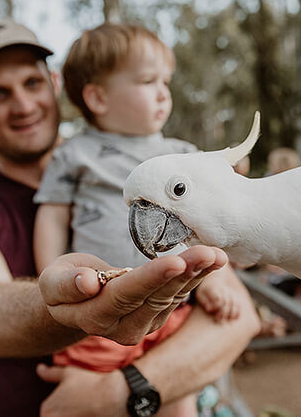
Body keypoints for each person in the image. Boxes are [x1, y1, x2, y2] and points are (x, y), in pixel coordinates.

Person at [0, 19, 259, 417]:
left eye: (32, 83)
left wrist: (118, 392)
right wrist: (70, 299)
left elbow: (237, 317)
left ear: (55, 85)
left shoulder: (161, 174)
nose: (23, 105)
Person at [32, 23, 243, 415]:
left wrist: (216, 278)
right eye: (148, 80)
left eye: (166, 80)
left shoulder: (183, 155)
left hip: (172, 306)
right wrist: (52, 277)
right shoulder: (74, 154)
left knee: (177, 396)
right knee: (86, 397)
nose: (164, 92)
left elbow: (209, 224)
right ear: (97, 97)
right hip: (96, 311)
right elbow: (52, 218)